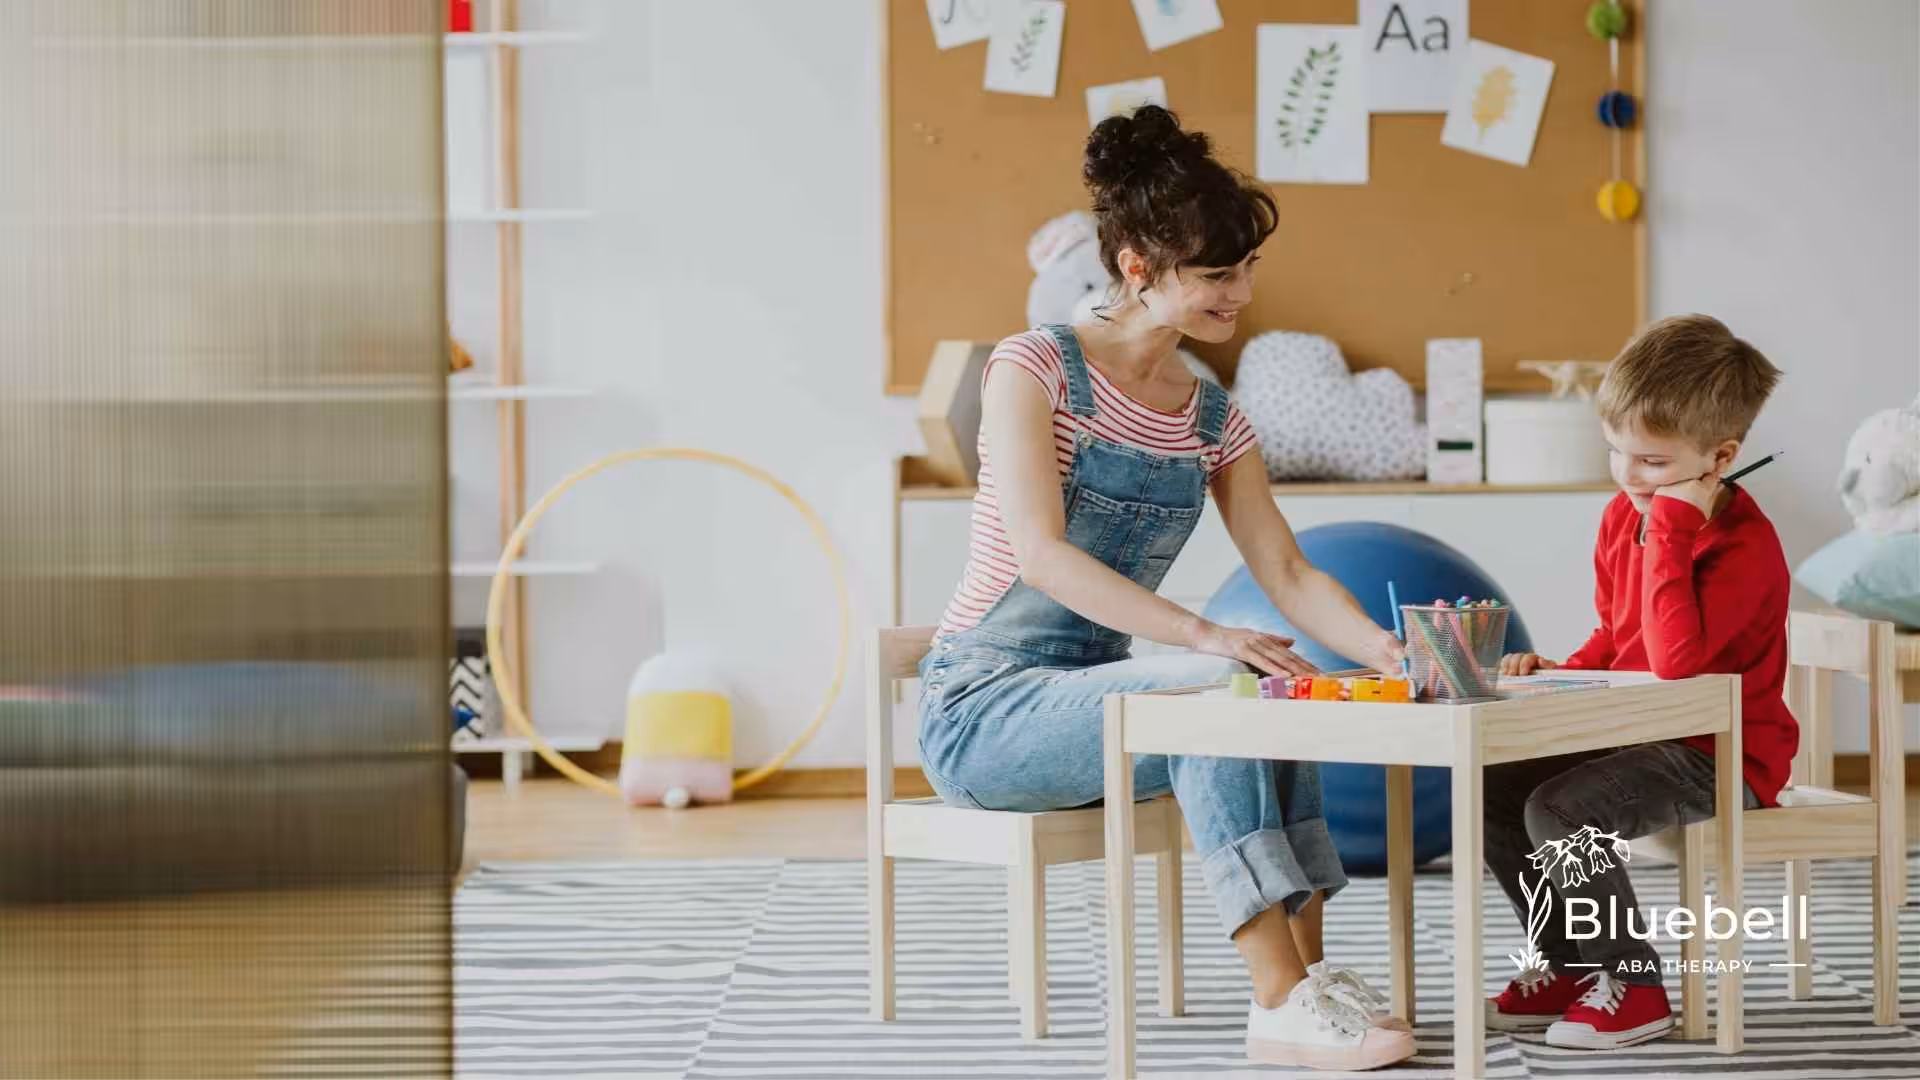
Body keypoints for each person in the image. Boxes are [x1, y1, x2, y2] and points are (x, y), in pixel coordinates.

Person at [916, 105, 1415, 1072]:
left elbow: (1288, 571)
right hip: (984, 709)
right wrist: (1202, 634)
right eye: (1217, 274)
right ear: (1139, 264)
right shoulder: (1036, 367)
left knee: (1274, 694)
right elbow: (1041, 556)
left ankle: (1311, 983)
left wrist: (1395, 655)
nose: (1243, 293)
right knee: (1208, 697)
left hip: (1101, 703)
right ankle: (1277, 1001)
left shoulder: (1212, 413)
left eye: (1247, 269)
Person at [1486, 314, 1793, 1049]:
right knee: (1497, 785)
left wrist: (1671, 534)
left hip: (1718, 750)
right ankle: (1573, 962)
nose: (1628, 475)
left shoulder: (1745, 549)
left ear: (1720, 458)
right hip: (1642, 729)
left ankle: (1636, 988)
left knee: (1561, 812)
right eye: (1617, 450)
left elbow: (1677, 669)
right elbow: (1622, 637)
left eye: (1653, 463)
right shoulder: (1623, 515)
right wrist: (1564, 669)